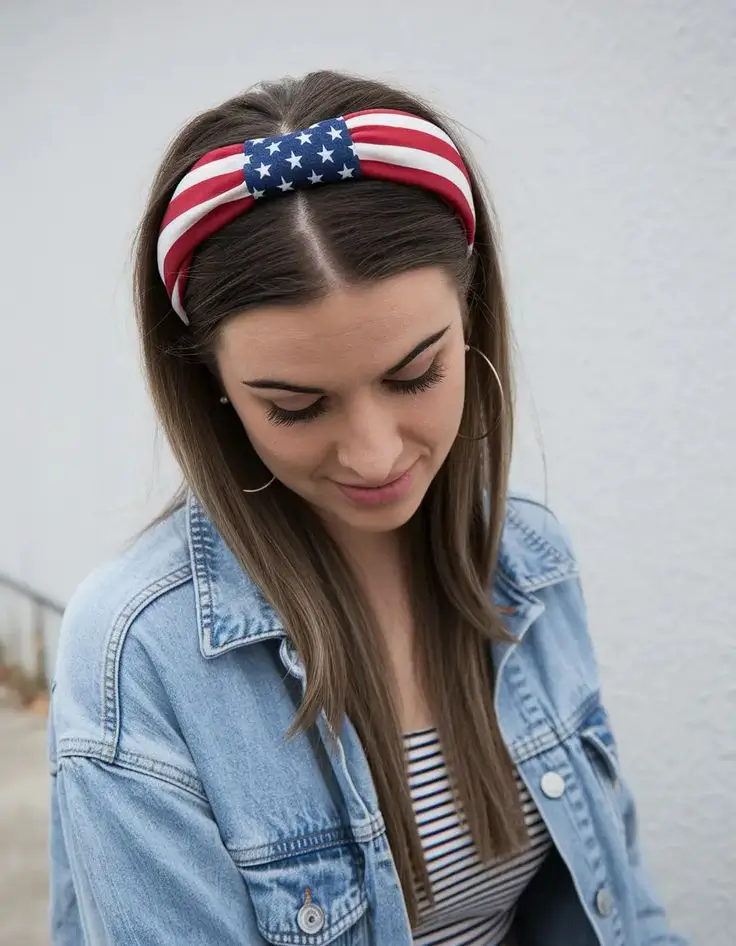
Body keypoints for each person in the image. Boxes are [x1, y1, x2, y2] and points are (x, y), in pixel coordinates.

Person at [48, 70, 686, 946]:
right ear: (215, 389)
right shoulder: (140, 654)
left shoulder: (531, 559)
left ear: (473, 318)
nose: (376, 453)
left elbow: (627, 912)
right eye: (297, 407)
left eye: (417, 373)